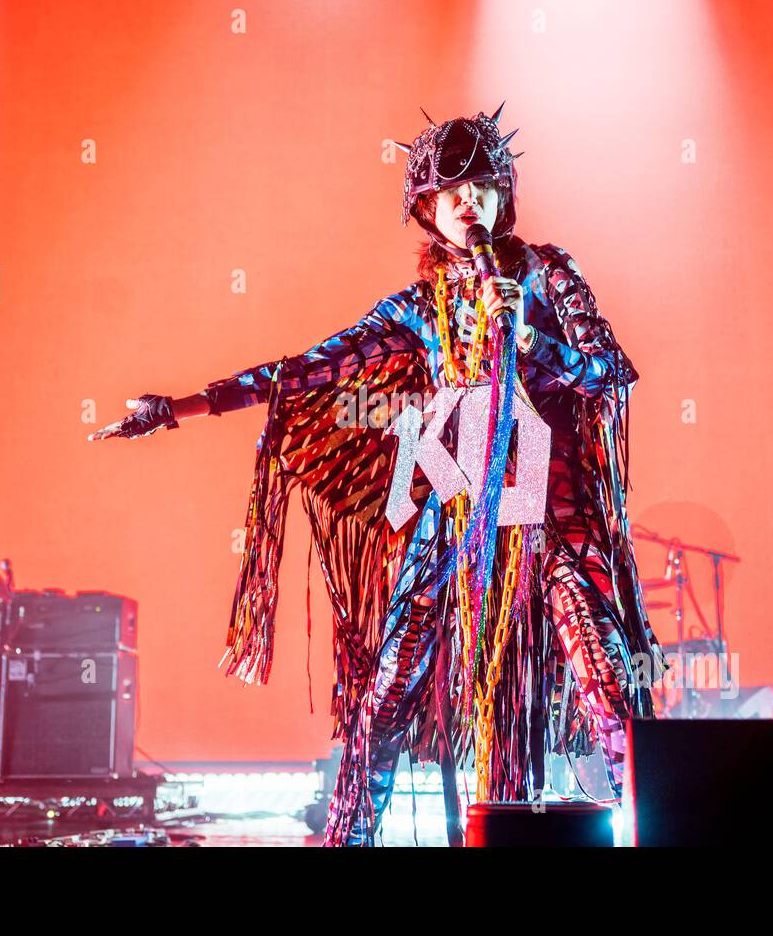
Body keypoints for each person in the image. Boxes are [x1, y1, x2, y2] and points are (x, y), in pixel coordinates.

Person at [93, 104, 664, 846]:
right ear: (426, 211)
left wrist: (526, 335)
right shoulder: (416, 309)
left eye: (482, 186)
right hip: (458, 507)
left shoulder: (549, 273)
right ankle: (349, 839)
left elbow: (611, 373)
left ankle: (661, 830)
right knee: (386, 694)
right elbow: (301, 370)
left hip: (550, 507)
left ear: (503, 194)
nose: (469, 203)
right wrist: (178, 406)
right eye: (449, 193)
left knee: (605, 682)